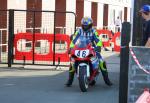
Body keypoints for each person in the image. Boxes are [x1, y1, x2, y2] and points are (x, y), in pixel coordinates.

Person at [65, 17, 112, 87]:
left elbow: (98, 40)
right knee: (72, 61)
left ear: (90, 25)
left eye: (87, 25)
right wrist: (71, 47)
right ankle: (70, 80)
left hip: (91, 48)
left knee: (101, 61)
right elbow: (74, 40)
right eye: (84, 25)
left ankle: (107, 80)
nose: (85, 27)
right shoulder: (79, 31)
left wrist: (98, 46)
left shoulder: (93, 31)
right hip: (80, 48)